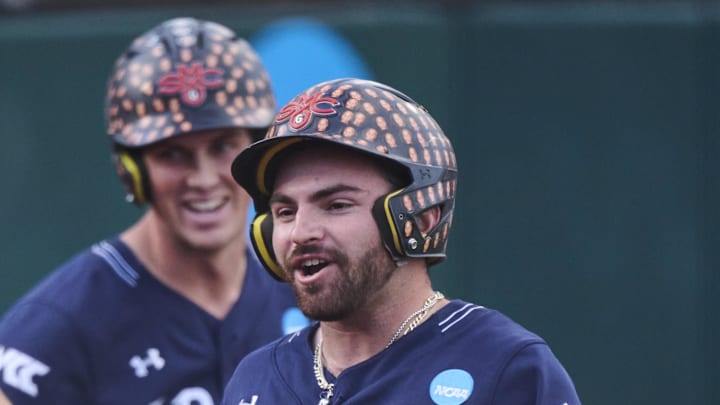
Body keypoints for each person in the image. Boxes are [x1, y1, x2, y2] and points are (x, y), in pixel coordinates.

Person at [0, 17, 306, 405]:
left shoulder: (301, 286)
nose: (203, 178)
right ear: (132, 172)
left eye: (223, 146)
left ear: (256, 155)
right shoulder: (57, 325)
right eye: (172, 154)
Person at [222, 78, 581, 404]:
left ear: (421, 217)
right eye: (285, 212)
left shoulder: (507, 368)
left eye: (336, 205)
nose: (301, 233)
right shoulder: (254, 379)